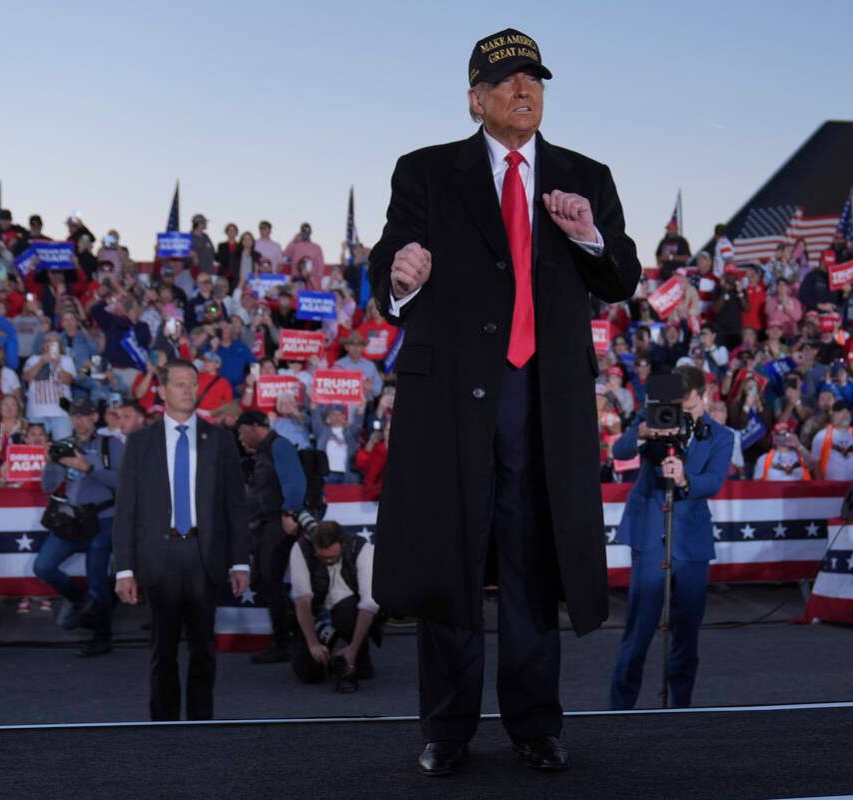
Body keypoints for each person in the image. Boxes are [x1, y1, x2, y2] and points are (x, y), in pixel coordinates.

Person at [367, 28, 641, 777]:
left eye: (535, 80)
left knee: (533, 564)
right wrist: (401, 275)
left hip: (541, 403)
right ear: (475, 98)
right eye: (508, 81)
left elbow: (622, 275)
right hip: (452, 402)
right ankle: (446, 730)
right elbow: (386, 264)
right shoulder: (425, 171)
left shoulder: (586, 176)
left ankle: (533, 725)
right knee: (450, 563)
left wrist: (587, 236)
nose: (525, 91)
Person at [112, 359, 249, 721]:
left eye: (193, 384)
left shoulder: (219, 439)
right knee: (163, 651)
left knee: (204, 649)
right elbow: (126, 510)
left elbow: (234, 506)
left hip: (205, 556)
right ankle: (164, 727)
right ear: (161, 390)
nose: (189, 390)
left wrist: (240, 561)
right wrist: (124, 569)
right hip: (161, 556)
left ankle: (202, 724)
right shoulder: (140, 443)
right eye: (180, 384)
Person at [609, 366, 731, 708]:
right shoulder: (653, 416)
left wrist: (684, 480)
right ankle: (618, 712)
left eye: (690, 407)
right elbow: (620, 451)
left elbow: (715, 481)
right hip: (650, 535)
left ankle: (680, 710)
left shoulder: (721, 436)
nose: (683, 414)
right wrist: (645, 431)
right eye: (679, 406)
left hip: (690, 543)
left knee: (686, 634)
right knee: (638, 632)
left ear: (703, 397)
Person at [36, 398, 123, 657]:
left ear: (95, 417)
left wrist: (86, 466)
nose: (80, 421)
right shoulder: (67, 445)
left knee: (97, 579)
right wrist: (52, 461)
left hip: (104, 517)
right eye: (75, 416)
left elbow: (123, 481)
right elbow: (48, 487)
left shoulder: (110, 444)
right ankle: (83, 602)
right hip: (73, 519)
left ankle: (102, 637)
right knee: (43, 566)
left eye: (85, 415)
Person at [237, 410, 307, 665]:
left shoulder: (280, 445)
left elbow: (296, 483)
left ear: (254, 427)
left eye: (241, 430)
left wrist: (290, 512)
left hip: (279, 521)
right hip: (266, 523)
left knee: (270, 580)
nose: (239, 436)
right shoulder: (263, 452)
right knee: (265, 580)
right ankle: (293, 634)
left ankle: (284, 641)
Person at [288, 520, 382, 685]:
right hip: (317, 613)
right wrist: (313, 644)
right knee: (309, 673)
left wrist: (353, 650)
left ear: (342, 542)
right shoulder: (300, 549)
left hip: (350, 611)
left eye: (332, 557)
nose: (328, 562)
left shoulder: (363, 549)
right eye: (322, 557)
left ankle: (359, 655)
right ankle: (329, 658)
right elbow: (302, 600)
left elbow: (369, 604)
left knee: (347, 611)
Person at [811, 400, 853, 480]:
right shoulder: (821, 436)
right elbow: (815, 464)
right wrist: (821, 485)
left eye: (847, 412)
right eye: (840, 412)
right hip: (830, 487)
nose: (844, 415)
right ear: (832, 415)